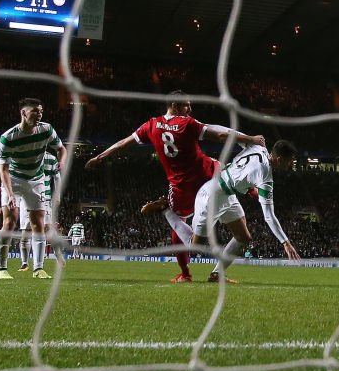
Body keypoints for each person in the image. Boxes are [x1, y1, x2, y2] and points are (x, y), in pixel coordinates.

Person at [85, 91, 265, 282]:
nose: (190, 109)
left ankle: (197, 273)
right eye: (187, 105)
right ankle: (166, 213)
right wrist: (250, 139)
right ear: (175, 105)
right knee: (218, 168)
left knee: (232, 232)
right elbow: (220, 135)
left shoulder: (151, 125)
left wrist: (99, 157)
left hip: (183, 186)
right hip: (205, 175)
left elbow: (124, 143)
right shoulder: (187, 123)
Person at [146, 139, 300, 283]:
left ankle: (216, 274)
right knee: (193, 246)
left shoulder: (258, 147)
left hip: (227, 194)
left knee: (243, 237)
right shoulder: (266, 177)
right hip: (211, 196)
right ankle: (166, 209)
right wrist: (285, 242)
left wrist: (248, 138)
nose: (290, 165)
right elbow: (269, 216)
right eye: (290, 161)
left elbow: (234, 139)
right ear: (279, 159)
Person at [0, 98, 66, 280]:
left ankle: (38, 268)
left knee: (39, 224)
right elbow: (3, 170)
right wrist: (10, 194)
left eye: (41, 111)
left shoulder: (46, 129)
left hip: (36, 180)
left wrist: (62, 161)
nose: (39, 114)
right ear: (23, 113)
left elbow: (61, 148)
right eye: (34, 111)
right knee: (10, 222)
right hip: (14, 180)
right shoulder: (8, 137)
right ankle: (1, 268)